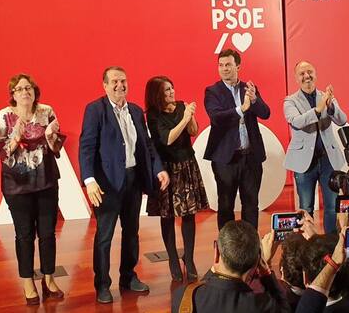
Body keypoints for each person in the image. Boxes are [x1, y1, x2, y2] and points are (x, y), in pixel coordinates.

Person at [78, 66, 170, 304]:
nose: (120, 85)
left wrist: (158, 168)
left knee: (131, 233)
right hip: (107, 185)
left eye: (123, 81)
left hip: (133, 181)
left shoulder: (136, 111)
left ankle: (128, 277)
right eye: (115, 81)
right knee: (105, 236)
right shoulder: (95, 110)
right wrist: (89, 180)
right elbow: (86, 146)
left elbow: (147, 145)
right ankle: (102, 285)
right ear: (105, 86)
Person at [0, 73, 66, 305]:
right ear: (13, 94)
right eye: (20, 89)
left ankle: (49, 278)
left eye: (29, 88)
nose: (25, 92)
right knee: (24, 235)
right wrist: (15, 137)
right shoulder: (4, 116)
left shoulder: (46, 111)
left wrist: (51, 137)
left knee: (47, 233)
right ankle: (27, 282)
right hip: (17, 185)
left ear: (35, 92)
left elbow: (56, 147)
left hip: (46, 180)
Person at [144, 76, 209, 282]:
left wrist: (190, 116)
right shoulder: (153, 115)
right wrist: (184, 118)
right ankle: (172, 258)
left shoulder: (181, 106)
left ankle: (188, 258)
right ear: (157, 94)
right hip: (167, 169)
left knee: (189, 214)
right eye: (166, 90)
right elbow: (168, 139)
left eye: (172, 88)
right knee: (167, 215)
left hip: (187, 164)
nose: (172, 92)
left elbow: (193, 131)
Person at [204, 48, 270, 230]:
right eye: (221, 65)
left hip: (251, 157)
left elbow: (266, 113)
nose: (224, 69)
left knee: (251, 204)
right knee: (226, 206)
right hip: (226, 159)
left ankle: (251, 244)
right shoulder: (212, 91)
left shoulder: (248, 89)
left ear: (238, 67)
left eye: (228, 65)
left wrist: (254, 100)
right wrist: (241, 109)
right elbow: (216, 117)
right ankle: (228, 245)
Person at [283, 61, 347, 234]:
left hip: (328, 160)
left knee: (332, 206)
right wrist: (319, 109)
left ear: (315, 74)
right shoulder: (290, 101)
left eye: (310, 72)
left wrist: (330, 106)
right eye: (302, 73)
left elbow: (342, 120)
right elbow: (297, 122)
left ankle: (331, 243)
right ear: (296, 78)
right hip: (304, 162)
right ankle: (307, 243)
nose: (307, 76)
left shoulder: (326, 96)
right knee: (306, 207)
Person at [171, 221, 290, 313]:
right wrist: (266, 271)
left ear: (216, 253)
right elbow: (284, 308)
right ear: (257, 262)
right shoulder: (262, 306)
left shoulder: (183, 296)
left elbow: (204, 286)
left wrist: (213, 269)